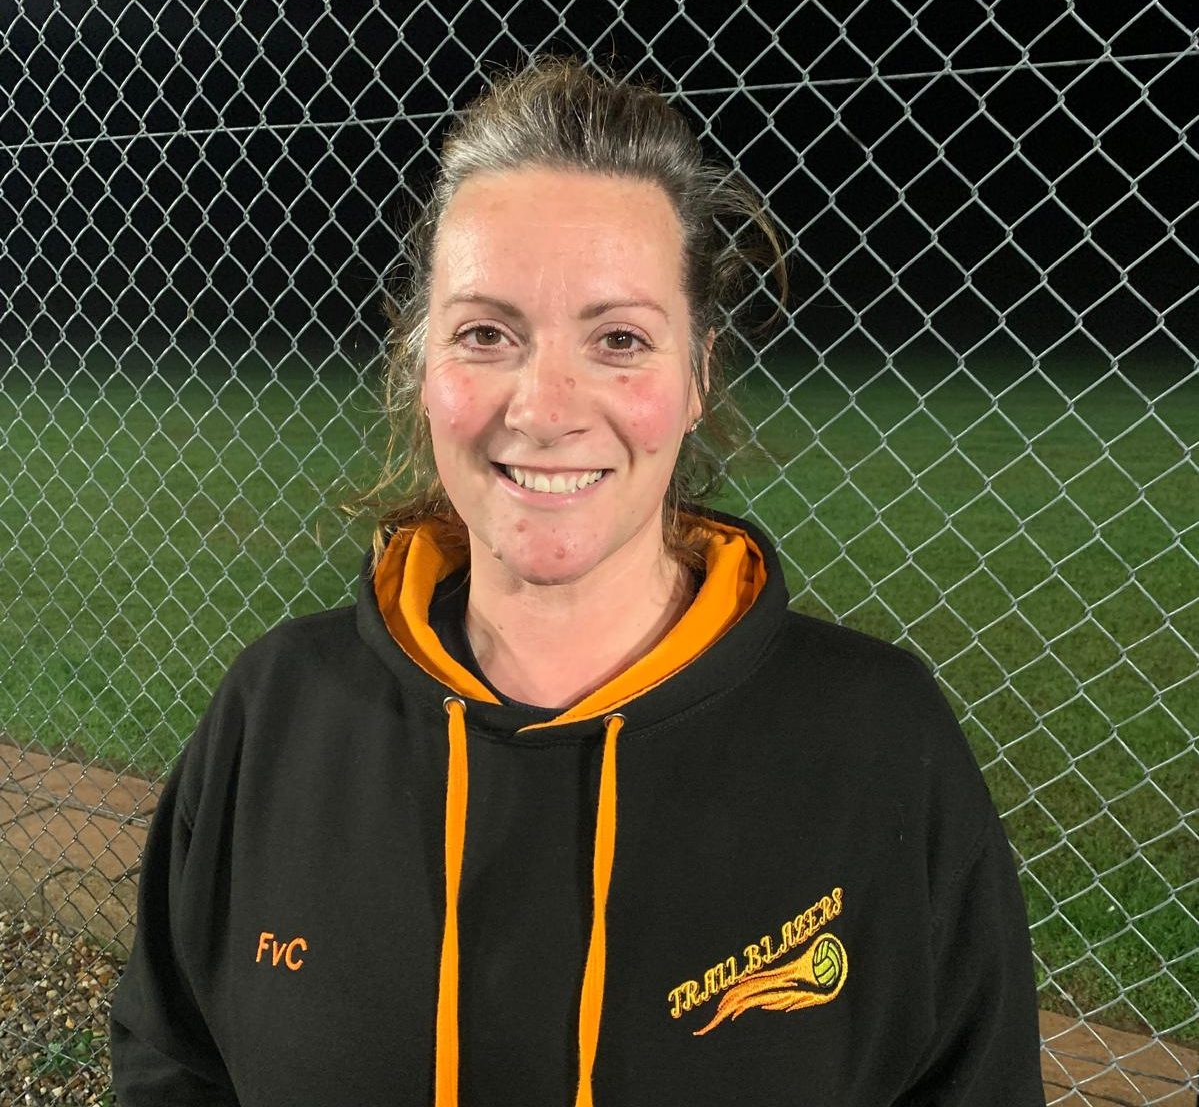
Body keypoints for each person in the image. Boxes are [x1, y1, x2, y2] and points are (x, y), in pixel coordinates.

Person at [110, 56, 1047, 1107]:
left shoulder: (878, 737)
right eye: (485, 334)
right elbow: (172, 1055)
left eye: (618, 339)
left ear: (696, 377)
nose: (544, 407)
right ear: (422, 368)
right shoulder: (278, 708)